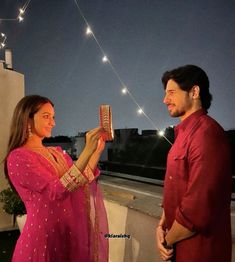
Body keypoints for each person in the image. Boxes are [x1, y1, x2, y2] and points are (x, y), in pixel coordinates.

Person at [4, 95, 109, 262]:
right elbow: (57, 190)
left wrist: (96, 151)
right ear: (27, 119)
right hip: (42, 240)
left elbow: (79, 181)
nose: (52, 122)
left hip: (66, 235)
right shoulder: (18, 158)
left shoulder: (56, 152)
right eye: (46, 116)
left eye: (53, 117)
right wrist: (86, 150)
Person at [156, 65, 232, 262]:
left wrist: (166, 240)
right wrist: (161, 226)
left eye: (171, 93)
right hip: (178, 249)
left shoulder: (206, 135)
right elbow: (175, 188)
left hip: (199, 252)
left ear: (194, 91)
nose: (165, 100)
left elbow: (198, 208)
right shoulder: (182, 136)